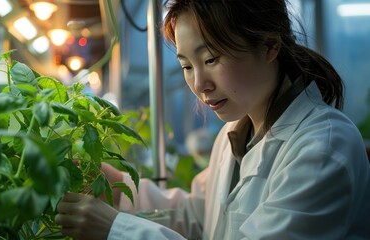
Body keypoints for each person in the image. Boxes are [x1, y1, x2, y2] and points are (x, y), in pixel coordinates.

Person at [54, 0, 370, 239]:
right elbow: (199, 216)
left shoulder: (323, 147)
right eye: (187, 66)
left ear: (270, 46)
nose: (199, 84)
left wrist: (117, 230)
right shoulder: (236, 132)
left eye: (210, 59)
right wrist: (117, 184)